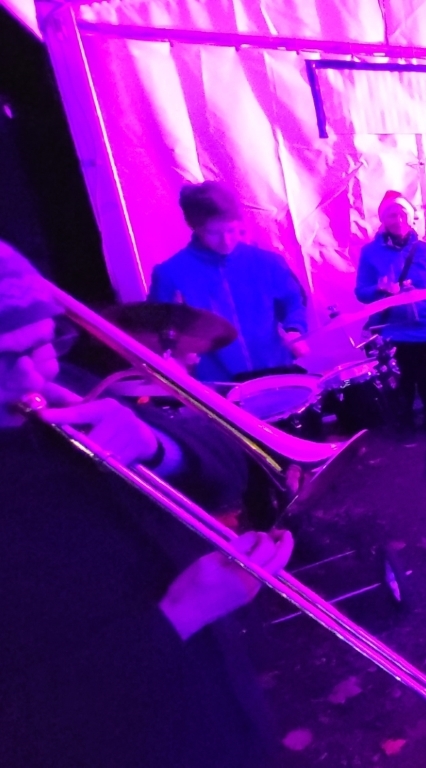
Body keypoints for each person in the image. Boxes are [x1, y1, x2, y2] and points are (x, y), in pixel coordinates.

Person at [0, 240, 294, 766]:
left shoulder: (63, 383)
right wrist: (179, 616)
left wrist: (156, 444)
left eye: (39, 346)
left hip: (217, 704)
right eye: (1, 361)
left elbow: (230, 465)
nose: (29, 381)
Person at [150, 181, 310, 382]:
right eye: (214, 233)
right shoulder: (171, 273)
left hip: (276, 371)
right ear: (196, 228)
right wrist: (179, 351)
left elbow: (293, 301)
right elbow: (160, 329)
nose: (226, 241)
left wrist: (294, 329)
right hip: (218, 385)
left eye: (232, 230)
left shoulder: (267, 262)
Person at [355, 190, 426, 430]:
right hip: (392, 332)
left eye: (402, 214)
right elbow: (361, 293)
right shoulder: (370, 252)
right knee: (401, 389)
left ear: (411, 217)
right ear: (383, 219)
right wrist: (378, 288)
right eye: (391, 215)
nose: (398, 220)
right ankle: (404, 431)